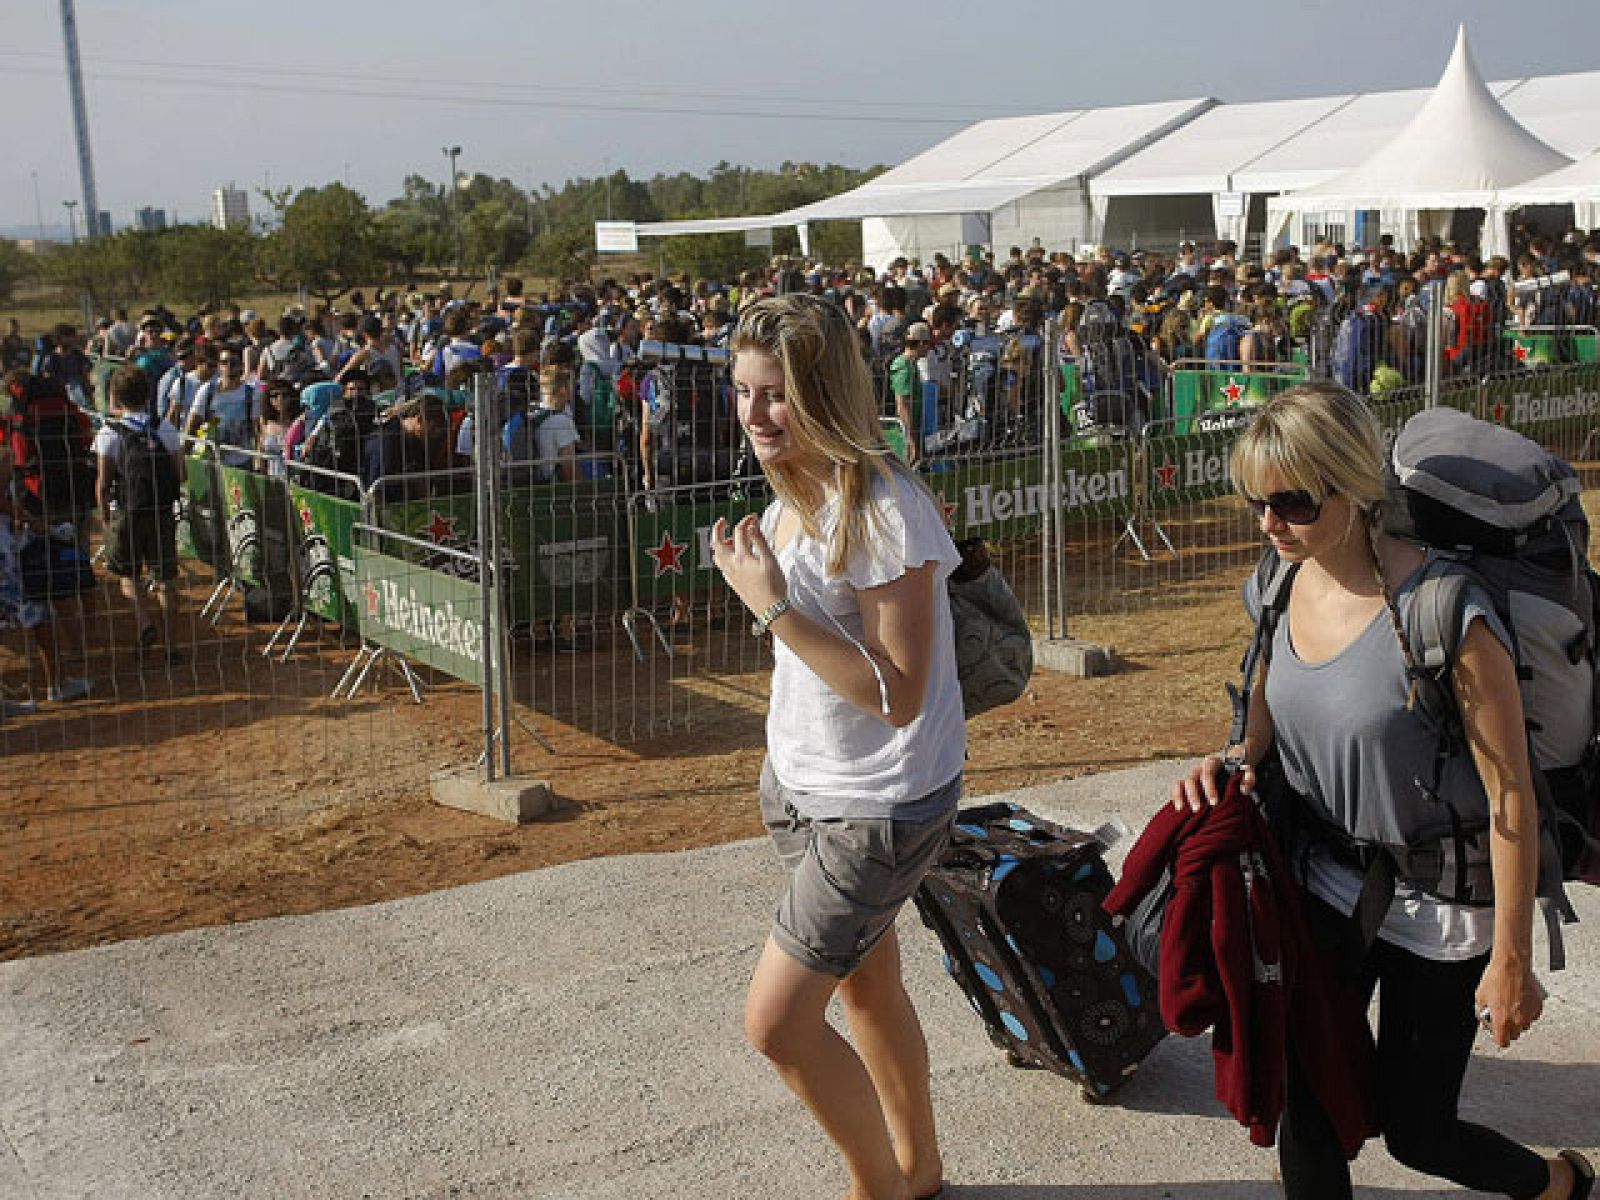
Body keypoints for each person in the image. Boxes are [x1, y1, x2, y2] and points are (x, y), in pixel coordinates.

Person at [1173, 383, 1594, 1200]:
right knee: (1307, 1103)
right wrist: (1233, 756)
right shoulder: (1278, 581)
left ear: (1354, 489)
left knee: (1418, 1133)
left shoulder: (1445, 612)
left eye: (1291, 501)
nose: (1269, 521)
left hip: (1443, 905)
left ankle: (1558, 1185)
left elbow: (1511, 799)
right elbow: (1263, 698)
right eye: (1256, 500)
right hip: (1322, 883)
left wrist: (1512, 959)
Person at [710, 293, 964, 1200]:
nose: (755, 415)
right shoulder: (793, 493)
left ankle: (880, 1190)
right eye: (742, 392)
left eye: (774, 395)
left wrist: (770, 605)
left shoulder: (885, 508)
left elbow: (899, 695)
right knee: (864, 991)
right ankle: (919, 1171)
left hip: (879, 806)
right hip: (806, 791)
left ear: (822, 394)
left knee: (777, 1024)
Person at [95, 364, 185, 661]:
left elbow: (103, 482)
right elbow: (181, 473)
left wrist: (106, 520)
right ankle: (173, 645)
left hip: (127, 511)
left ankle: (144, 622)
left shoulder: (109, 433)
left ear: (116, 398)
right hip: (160, 512)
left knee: (128, 574)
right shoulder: (164, 428)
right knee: (165, 579)